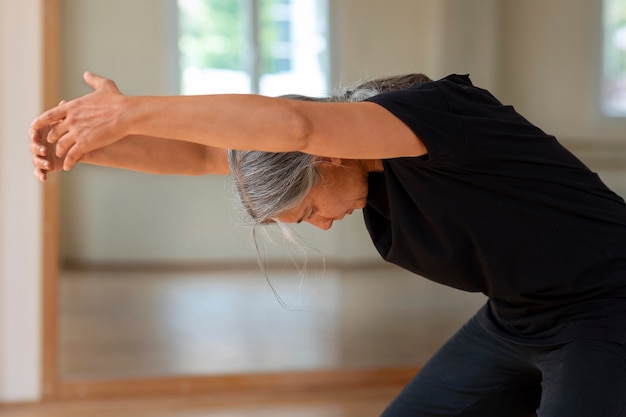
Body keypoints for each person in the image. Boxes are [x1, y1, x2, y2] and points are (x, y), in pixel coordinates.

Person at [30, 71, 626, 417]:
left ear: (328, 158)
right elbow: (207, 153)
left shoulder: (439, 114)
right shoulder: (363, 168)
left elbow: (298, 124)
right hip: (516, 319)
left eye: (311, 207)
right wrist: (86, 147)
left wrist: (131, 109)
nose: (319, 224)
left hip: (608, 306)